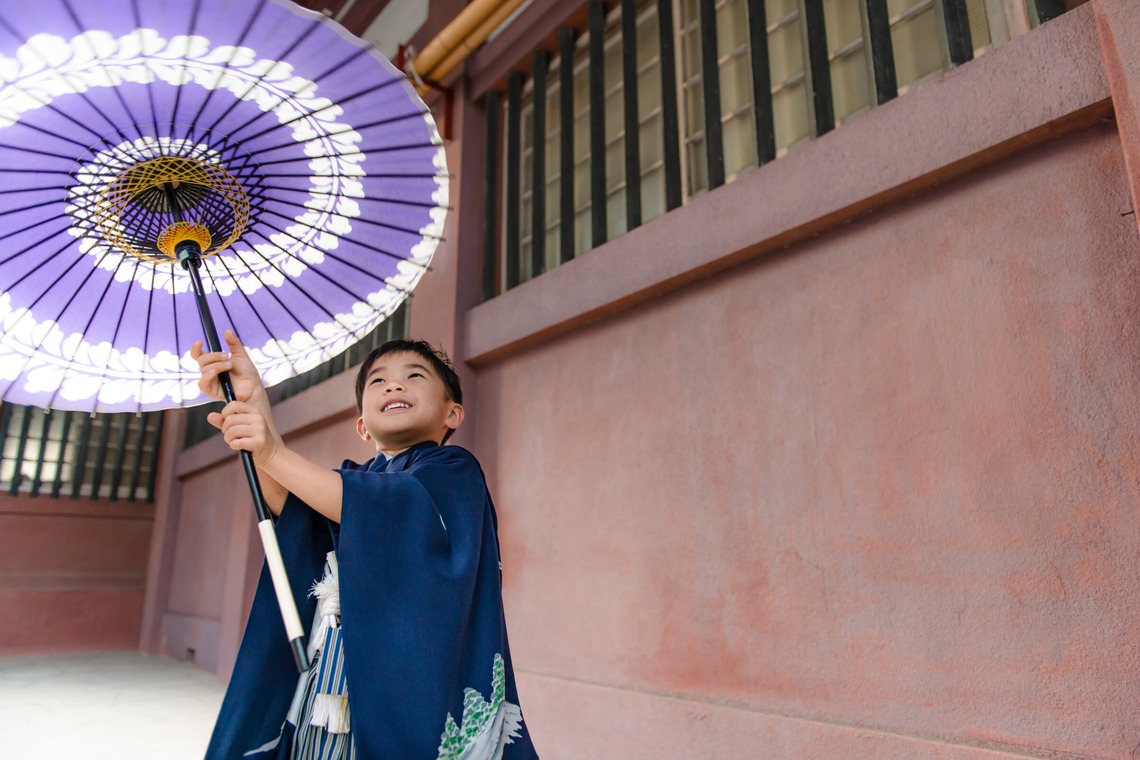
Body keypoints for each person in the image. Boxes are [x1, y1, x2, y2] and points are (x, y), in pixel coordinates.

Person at [196, 330, 539, 760]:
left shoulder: (452, 470)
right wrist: (251, 404)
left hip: (404, 687)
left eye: (415, 376)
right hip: (331, 677)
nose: (394, 385)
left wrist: (270, 453)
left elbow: (388, 509)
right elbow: (297, 509)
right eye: (378, 381)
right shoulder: (352, 479)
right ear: (362, 425)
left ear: (453, 413)